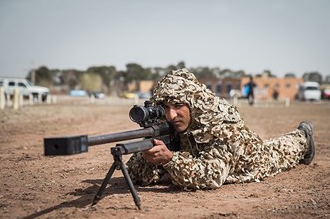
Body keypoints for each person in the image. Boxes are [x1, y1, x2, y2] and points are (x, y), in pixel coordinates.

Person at [126, 68, 315, 190]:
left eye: (177, 105)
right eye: (165, 108)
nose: (172, 115)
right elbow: (139, 175)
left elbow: (212, 176)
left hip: (251, 160)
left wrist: (170, 159)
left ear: (193, 103)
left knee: (281, 149)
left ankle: (303, 136)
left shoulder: (222, 124)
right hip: (201, 155)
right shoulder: (171, 123)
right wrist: (147, 155)